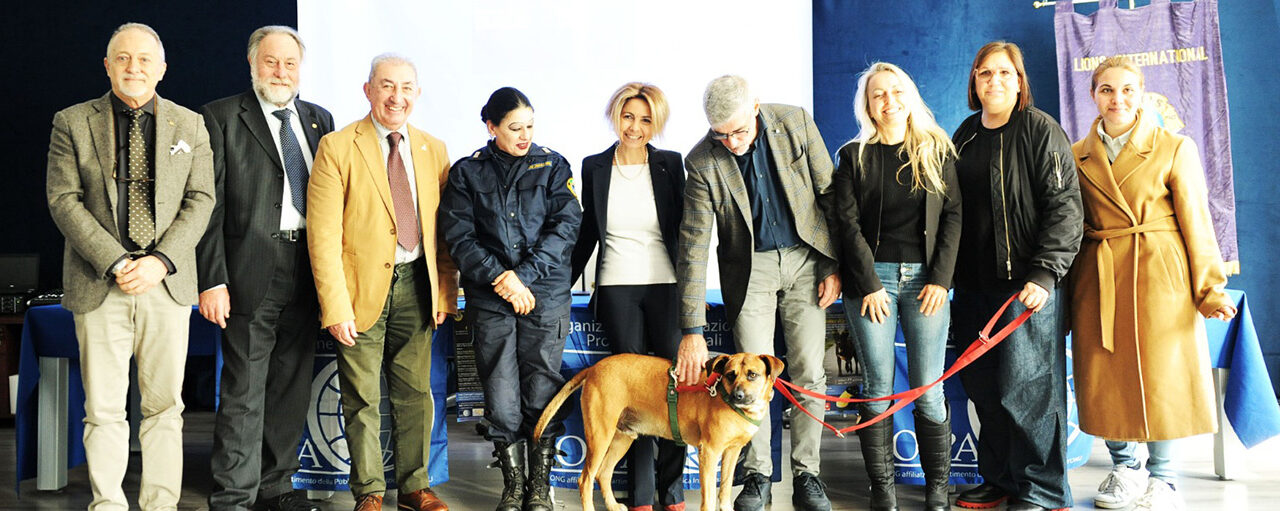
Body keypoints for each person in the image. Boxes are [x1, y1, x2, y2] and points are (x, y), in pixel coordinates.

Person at [45, 22, 214, 511]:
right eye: (123, 58)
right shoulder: (72, 122)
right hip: (100, 282)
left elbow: (201, 200)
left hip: (166, 285)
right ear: (107, 65)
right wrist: (118, 261)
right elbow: (63, 200)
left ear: (162, 68)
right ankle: (108, 504)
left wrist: (161, 261)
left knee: (165, 408)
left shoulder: (191, 125)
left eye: (144, 59)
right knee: (103, 410)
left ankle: (160, 504)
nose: (133, 67)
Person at [1069, 56, 1236, 511]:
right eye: (1106, 90)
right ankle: (1124, 468)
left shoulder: (1173, 147)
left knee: (1163, 375)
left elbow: (1198, 224)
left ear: (1142, 93)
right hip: (1098, 274)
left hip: (1159, 274)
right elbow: (1066, 224)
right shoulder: (1075, 154)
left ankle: (1163, 478)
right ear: (1093, 95)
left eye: (1126, 89)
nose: (1117, 98)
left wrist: (1209, 289)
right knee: (1104, 375)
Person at [672, 75, 840, 511]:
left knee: (808, 372)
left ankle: (808, 476)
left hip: (806, 257)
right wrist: (691, 327)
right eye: (721, 134)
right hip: (751, 270)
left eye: (739, 131)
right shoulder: (703, 161)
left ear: (756, 108)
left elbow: (831, 195)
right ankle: (758, 474)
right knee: (750, 377)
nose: (731, 141)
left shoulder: (796, 123)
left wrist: (832, 265)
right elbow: (692, 245)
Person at [307, 54, 457, 511]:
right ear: (368, 90)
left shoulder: (434, 149)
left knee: (416, 395)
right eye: (387, 86)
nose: (397, 96)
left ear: (417, 93)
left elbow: (445, 233)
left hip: (418, 286)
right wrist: (335, 306)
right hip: (357, 293)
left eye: (407, 87)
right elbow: (323, 234)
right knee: (362, 399)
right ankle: (369, 491)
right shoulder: (337, 147)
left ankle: (414, 487)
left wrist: (444, 291)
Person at [196, 25, 333, 511]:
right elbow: (205, 207)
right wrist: (211, 278)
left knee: (291, 387)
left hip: (306, 269)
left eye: (289, 63)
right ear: (252, 64)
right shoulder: (219, 117)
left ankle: (276, 487)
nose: (281, 71)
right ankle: (234, 496)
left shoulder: (319, 119)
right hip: (248, 270)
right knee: (244, 390)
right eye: (271, 62)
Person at [949, 41, 1083, 511]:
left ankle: (1041, 490)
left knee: (1029, 390)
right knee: (986, 391)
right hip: (972, 287)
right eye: (985, 73)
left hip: (1025, 285)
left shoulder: (1042, 131)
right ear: (974, 82)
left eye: (1005, 73)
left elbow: (1066, 211)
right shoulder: (964, 135)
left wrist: (1045, 274)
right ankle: (1002, 479)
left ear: (1020, 80)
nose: (995, 82)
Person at [440, 87, 582, 511]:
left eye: (530, 126)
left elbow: (566, 226)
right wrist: (502, 279)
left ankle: (539, 488)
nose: (525, 135)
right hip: (492, 299)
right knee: (501, 394)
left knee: (542, 388)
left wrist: (522, 277)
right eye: (515, 127)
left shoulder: (554, 165)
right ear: (492, 127)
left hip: (545, 295)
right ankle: (513, 486)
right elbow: (458, 236)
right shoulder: (468, 172)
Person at [831, 62, 961, 511]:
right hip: (873, 285)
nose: (888, 101)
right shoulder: (853, 156)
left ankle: (937, 490)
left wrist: (942, 280)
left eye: (895, 91)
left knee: (928, 387)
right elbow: (845, 225)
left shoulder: (937, 149)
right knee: (878, 385)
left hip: (928, 282)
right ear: (867, 105)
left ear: (910, 95)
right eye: (878, 95)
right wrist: (867, 283)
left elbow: (953, 219)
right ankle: (882, 490)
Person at [569, 82, 686, 511]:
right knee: (633, 399)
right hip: (617, 287)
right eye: (628, 117)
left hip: (667, 286)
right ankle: (638, 498)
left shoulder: (671, 164)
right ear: (615, 115)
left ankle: (671, 496)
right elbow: (587, 234)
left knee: (677, 389)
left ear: (657, 123)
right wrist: (559, 285)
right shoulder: (594, 166)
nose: (635, 127)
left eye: (645, 119)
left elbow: (685, 233)